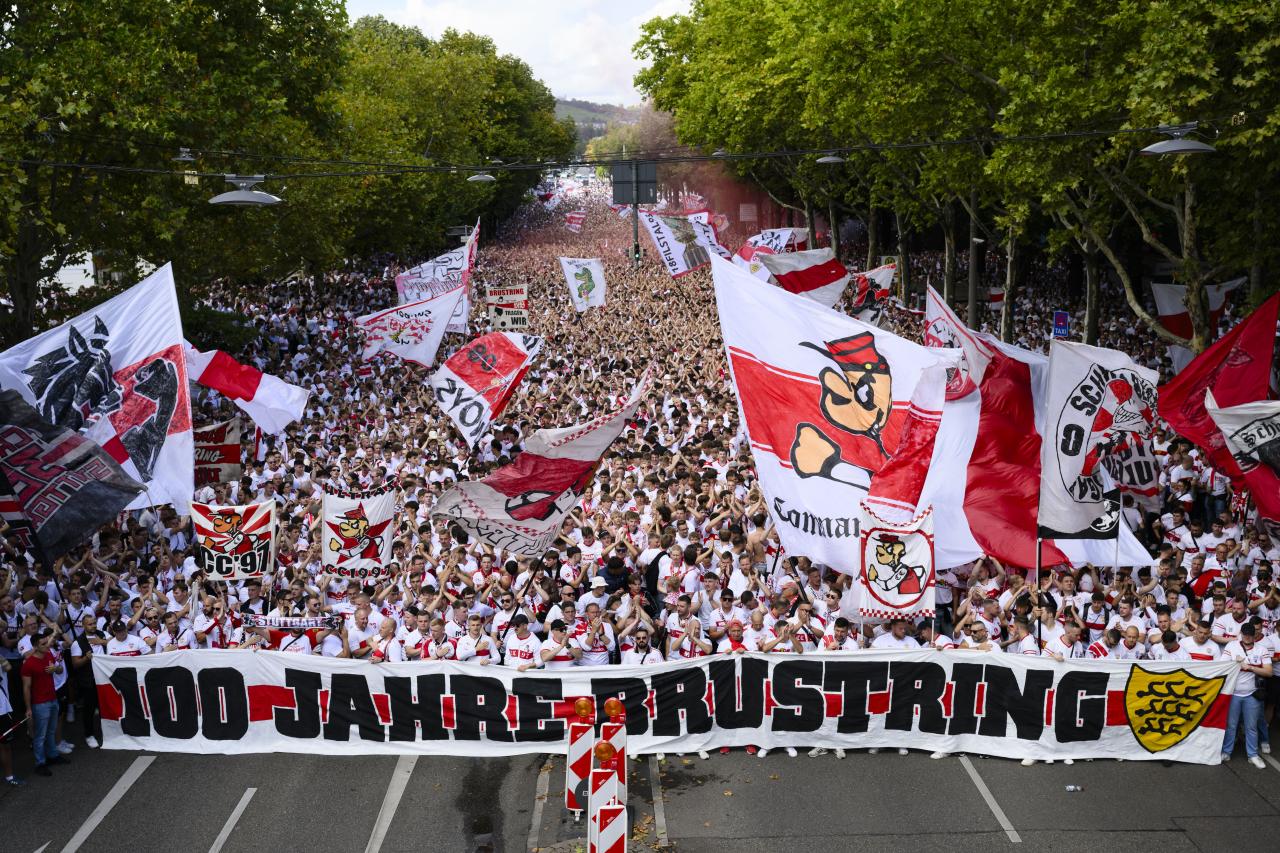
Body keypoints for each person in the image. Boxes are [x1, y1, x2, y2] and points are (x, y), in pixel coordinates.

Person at [1221, 623, 1273, 768]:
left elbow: (1269, 672)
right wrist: (1235, 663)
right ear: (1241, 633)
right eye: (1245, 634)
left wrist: (1249, 667)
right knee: (1231, 725)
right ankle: (1226, 751)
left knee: (1251, 726)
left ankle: (1253, 755)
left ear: (1254, 635)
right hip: (1233, 693)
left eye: (1250, 634)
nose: (1247, 637)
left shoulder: (1261, 649)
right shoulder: (1232, 646)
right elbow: (1222, 666)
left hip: (1252, 694)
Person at [21, 629, 67, 777]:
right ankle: (40, 763)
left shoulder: (48, 655)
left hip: (53, 698)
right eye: (43, 644)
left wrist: (56, 668)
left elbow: (60, 670)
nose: (47, 645)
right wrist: (28, 708)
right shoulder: (29, 664)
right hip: (40, 703)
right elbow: (26, 687)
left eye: (46, 642)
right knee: (40, 735)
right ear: (35, 646)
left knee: (51, 730)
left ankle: (52, 755)